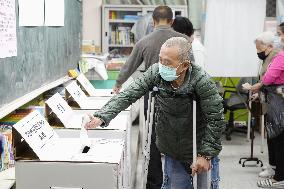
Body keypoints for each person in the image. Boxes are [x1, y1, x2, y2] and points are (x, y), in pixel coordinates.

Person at [86, 37, 225, 189]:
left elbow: (216, 119)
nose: (162, 65)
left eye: (168, 62)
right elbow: (129, 94)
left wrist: (205, 155)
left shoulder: (201, 81)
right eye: (160, 60)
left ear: (184, 65)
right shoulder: (156, 72)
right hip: (172, 148)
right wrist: (102, 116)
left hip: (199, 147)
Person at [112, 6, 189, 189]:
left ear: (153, 22)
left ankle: (154, 183)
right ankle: (179, 181)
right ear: (172, 21)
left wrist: (118, 84)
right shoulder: (184, 41)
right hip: (180, 97)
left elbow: (129, 66)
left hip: (154, 97)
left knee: (153, 139)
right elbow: (192, 70)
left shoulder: (144, 41)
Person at [171, 16, 220, 189]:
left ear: (182, 34)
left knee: (205, 168)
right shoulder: (189, 47)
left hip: (198, 109)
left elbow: (195, 78)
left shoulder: (195, 49)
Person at [250, 32, 280, 180]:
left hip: (277, 102)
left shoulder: (277, 56)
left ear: (269, 46)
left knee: (276, 136)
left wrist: (258, 87)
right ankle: (273, 166)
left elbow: (268, 78)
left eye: (259, 49)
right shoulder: (270, 56)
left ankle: (276, 169)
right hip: (271, 99)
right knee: (271, 135)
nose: (258, 52)